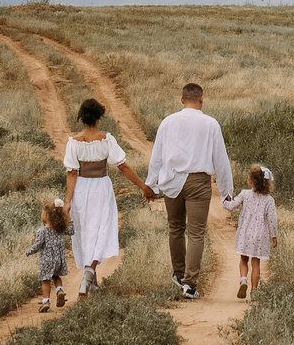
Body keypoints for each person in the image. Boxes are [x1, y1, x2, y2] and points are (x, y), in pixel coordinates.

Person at [143, 82, 234, 297]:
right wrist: (226, 189)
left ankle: (178, 273)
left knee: (175, 228)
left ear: (181, 100)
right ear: (202, 99)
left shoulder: (167, 122)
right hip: (198, 182)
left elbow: (157, 157)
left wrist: (151, 184)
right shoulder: (211, 124)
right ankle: (189, 284)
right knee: (196, 233)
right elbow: (221, 160)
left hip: (172, 180)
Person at [62, 99, 134, 296]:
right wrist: (143, 186)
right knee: (101, 230)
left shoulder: (74, 142)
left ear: (82, 117)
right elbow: (123, 166)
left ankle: (91, 281)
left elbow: (72, 173)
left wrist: (68, 201)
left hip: (81, 190)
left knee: (86, 232)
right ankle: (88, 279)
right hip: (102, 187)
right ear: (99, 117)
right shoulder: (106, 139)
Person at [220, 165, 278, 299]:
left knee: (244, 258)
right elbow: (272, 220)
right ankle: (254, 291)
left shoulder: (245, 194)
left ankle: (243, 279)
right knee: (256, 262)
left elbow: (231, 206)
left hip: (245, 233)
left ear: (251, 181)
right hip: (260, 235)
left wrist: (224, 200)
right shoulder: (269, 200)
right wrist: (274, 235)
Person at [27, 199, 71, 312]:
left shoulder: (42, 231)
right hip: (58, 260)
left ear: (47, 216)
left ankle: (46, 301)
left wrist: (29, 251)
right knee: (56, 277)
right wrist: (67, 216)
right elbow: (72, 231)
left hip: (46, 261)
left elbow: (37, 246)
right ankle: (60, 290)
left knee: (45, 281)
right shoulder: (59, 229)